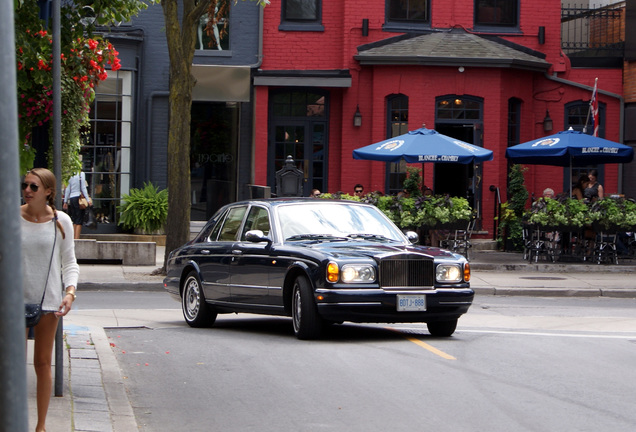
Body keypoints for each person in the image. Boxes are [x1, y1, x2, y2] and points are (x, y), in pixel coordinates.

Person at [21, 168, 79, 432]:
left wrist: (70, 292)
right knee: (11, 362)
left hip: (48, 301)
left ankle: (41, 426)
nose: (28, 191)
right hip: (12, 302)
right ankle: (13, 419)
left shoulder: (61, 221)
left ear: (48, 192)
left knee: (42, 362)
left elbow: (69, 262)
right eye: (25, 186)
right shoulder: (12, 217)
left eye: (34, 187)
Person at [63, 171, 92, 239]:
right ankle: (77, 239)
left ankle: (72, 238)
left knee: (74, 218)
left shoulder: (70, 174)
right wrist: (88, 200)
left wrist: (65, 201)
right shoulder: (81, 174)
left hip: (72, 198)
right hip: (79, 199)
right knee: (79, 219)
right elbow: (83, 187)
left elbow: (68, 189)